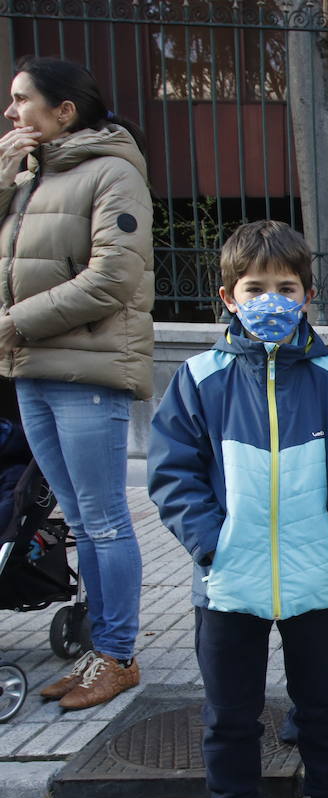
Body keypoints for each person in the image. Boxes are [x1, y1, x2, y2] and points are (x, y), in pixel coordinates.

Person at [146, 220, 328, 798]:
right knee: (230, 711)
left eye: (286, 287)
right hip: (227, 583)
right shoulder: (199, 380)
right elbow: (173, 474)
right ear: (228, 296)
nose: (271, 299)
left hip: (316, 578)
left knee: (322, 705)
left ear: (308, 295)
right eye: (255, 287)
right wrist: (211, 544)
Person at [0, 56, 153, 709]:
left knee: (105, 521)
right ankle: (101, 653)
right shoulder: (32, 176)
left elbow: (113, 277)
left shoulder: (113, 172)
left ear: (64, 111)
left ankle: (117, 656)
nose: (11, 112)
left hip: (86, 371)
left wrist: (15, 321)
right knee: (83, 524)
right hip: (33, 367)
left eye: (21, 100)